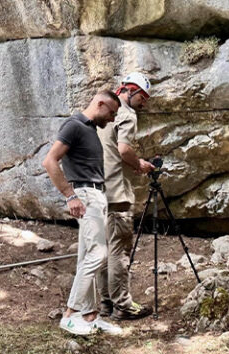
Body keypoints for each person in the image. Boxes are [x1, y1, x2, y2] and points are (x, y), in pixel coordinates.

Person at [42, 90, 124, 336]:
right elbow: (50, 161)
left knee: (87, 255)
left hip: (95, 195)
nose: (111, 119)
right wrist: (71, 195)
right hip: (86, 195)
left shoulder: (90, 130)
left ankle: (88, 315)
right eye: (111, 113)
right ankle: (69, 315)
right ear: (99, 104)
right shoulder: (75, 125)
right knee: (99, 254)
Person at [96, 73, 156, 321]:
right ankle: (123, 304)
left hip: (98, 190)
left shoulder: (103, 115)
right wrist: (139, 164)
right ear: (130, 91)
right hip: (117, 193)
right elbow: (124, 149)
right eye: (143, 97)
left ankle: (105, 304)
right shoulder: (127, 115)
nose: (144, 104)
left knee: (103, 248)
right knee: (119, 250)